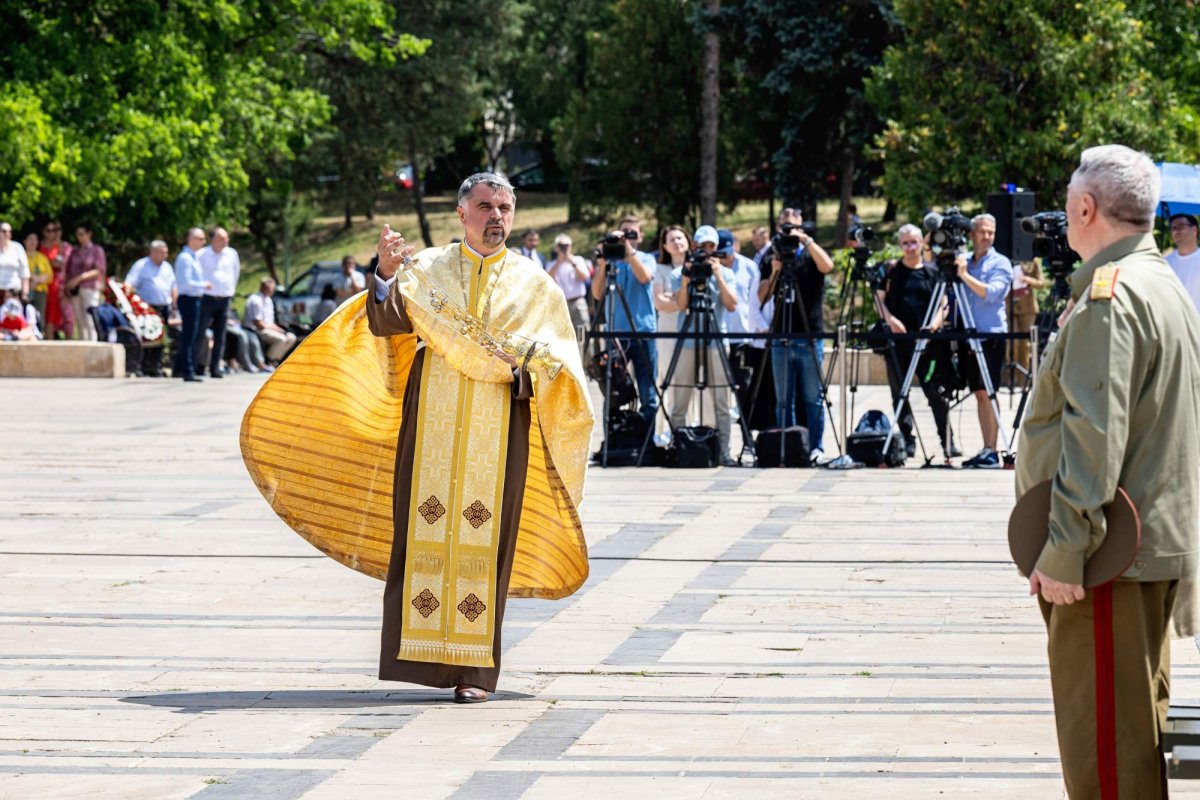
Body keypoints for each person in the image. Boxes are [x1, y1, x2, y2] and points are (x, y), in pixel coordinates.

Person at [1015, 143, 1200, 799]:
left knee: (1107, 761)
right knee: (1132, 739)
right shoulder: (1163, 286)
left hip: (1104, 562)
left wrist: (1065, 549)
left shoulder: (1110, 299)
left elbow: (1094, 436)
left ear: (1086, 208)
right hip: (1142, 550)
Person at [362, 172, 589, 702]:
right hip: (431, 423)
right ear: (462, 214)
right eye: (486, 206)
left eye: (505, 208)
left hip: (498, 425)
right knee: (423, 531)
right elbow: (387, 322)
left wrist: (522, 361)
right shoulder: (427, 270)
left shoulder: (536, 284)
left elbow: (559, 360)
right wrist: (384, 275)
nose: (497, 217)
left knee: (487, 543)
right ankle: (421, 661)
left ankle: (474, 673)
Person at [756, 208, 835, 464]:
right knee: (783, 399)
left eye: (793, 226)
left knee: (813, 398)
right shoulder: (772, 255)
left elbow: (827, 266)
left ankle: (816, 446)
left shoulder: (810, 253)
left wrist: (806, 240)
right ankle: (788, 446)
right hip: (781, 335)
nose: (789, 231)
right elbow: (762, 296)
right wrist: (776, 271)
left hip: (809, 335)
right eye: (785, 226)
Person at [876, 224, 957, 458]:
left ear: (922, 243)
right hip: (898, 342)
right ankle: (907, 441)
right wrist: (890, 320)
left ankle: (947, 441)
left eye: (914, 242)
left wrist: (935, 324)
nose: (910, 247)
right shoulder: (891, 273)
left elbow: (944, 305)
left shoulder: (932, 274)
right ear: (900, 246)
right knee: (899, 393)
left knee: (935, 393)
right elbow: (878, 300)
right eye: (905, 243)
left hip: (928, 345)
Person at [669, 225, 739, 465]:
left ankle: (724, 452)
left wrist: (718, 276)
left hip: (715, 339)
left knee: (721, 399)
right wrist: (687, 280)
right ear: (694, 247)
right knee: (680, 397)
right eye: (702, 247)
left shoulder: (726, 273)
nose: (706, 252)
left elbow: (731, 305)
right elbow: (681, 306)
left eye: (711, 247)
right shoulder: (680, 273)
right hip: (688, 339)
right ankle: (678, 448)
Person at [956, 213, 1013, 468]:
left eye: (991, 232)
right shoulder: (964, 261)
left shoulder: (1001, 263)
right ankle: (985, 447)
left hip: (991, 335)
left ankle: (992, 449)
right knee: (979, 392)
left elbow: (991, 294)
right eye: (982, 232)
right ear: (972, 234)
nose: (987, 237)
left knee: (989, 392)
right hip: (968, 335)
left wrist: (964, 276)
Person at [592, 215, 659, 430]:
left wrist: (628, 252)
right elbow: (596, 293)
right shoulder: (610, 262)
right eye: (624, 233)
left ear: (641, 236)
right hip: (616, 334)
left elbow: (645, 277)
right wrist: (603, 263)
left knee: (648, 391)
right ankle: (612, 442)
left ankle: (646, 444)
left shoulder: (647, 258)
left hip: (643, 331)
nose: (628, 237)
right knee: (612, 390)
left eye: (633, 233)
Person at [716, 228, 760, 428]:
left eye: (728, 251)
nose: (726, 257)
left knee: (744, 389)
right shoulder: (711, 268)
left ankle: (747, 434)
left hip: (742, 336)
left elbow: (756, 300)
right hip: (719, 334)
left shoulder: (749, 267)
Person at [653, 226, 689, 445]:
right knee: (666, 380)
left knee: (687, 382)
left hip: (690, 332)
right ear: (665, 246)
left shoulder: (694, 267)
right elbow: (659, 303)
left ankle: (686, 428)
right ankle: (663, 431)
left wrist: (673, 297)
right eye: (671, 239)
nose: (676, 242)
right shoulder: (661, 269)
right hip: (667, 332)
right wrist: (682, 300)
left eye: (680, 237)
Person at [123, 240, 177, 377]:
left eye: (166, 252)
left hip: (164, 306)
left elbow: (173, 286)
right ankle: (143, 365)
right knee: (147, 336)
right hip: (147, 308)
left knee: (161, 337)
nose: (165, 255)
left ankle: (155, 365)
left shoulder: (167, 267)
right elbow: (129, 283)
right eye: (162, 252)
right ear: (153, 252)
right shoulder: (141, 265)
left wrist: (174, 303)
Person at [197, 227, 240, 378]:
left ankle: (215, 367)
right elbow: (197, 275)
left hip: (224, 298)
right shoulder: (202, 254)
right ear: (214, 240)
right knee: (201, 333)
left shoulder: (231, 254)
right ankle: (199, 365)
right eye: (222, 238)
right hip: (207, 298)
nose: (226, 241)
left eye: (227, 238)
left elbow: (235, 273)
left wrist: (231, 291)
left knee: (220, 335)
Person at [174, 228, 209, 382]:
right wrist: (203, 285)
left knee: (190, 336)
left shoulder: (193, 257)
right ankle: (187, 371)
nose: (204, 242)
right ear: (192, 239)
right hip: (188, 299)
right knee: (188, 336)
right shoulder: (185, 258)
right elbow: (186, 283)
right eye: (201, 239)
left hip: (193, 299)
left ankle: (182, 368)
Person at [63, 224, 107, 341]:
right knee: (80, 321)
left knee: (90, 320)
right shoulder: (75, 251)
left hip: (90, 288)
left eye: (82, 234)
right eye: (78, 234)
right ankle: (83, 348)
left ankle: (93, 347)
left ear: (89, 234)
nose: (79, 237)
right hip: (75, 290)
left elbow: (99, 270)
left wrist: (79, 278)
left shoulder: (96, 250)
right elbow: (69, 270)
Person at [545, 234, 591, 331]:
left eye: (567, 245)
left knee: (583, 332)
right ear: (556, 247)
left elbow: (584, 277)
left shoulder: (578, 260)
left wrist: (572, 262)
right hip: (560, 303)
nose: (564, 248)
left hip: (578, 302)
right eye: (561, 246)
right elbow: (548, 280)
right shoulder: (551, 264)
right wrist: (559, 262)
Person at [243, 278, 296, 364]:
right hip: (255, 330)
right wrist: (277, 330)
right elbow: (258, 324)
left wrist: (281, 330)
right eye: (268, 288)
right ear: (262, 287)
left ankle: (276, 359)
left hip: (267, 328)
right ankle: (269, 360)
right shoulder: (256, 300)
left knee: (291, 337)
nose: (271, 290)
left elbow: (270, 322)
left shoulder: (268, 300)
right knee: (281, 339)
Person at [1009, 259, 1048, 373]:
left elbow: (1042, 283)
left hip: (1028, 307)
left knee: (1025, 344)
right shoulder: (1006, 257)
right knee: (1011, 343)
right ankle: (1009, 378)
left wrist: (1028, 280)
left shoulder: (1033, 261)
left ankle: (1023, 377)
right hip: (1009, 306)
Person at [38, 220, 73, 340]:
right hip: (41, 284)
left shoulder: (59, 246)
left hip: (55, 285)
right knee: (42, 313)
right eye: (48, 230)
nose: (52, 233)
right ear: (43, 231)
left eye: (54, 230)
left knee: (52, 316)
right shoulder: (39, 245)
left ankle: (51, 342)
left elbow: (64, 264)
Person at [1165, 212, 1200, 314]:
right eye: (1173, 228)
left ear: (1194, 230)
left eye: (1181, 226)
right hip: (1174, 325)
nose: (1176, 230)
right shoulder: (1165, 262)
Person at [23, 233, 51, 327]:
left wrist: (36, 280)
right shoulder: (21, 256)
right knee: (24, 314)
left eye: (35, 239)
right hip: (25, 291)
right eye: (30, 239)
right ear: (25, 241)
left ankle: (39, 336)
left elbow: (50, 276)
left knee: (39, 315)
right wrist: (33, 278)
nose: (33, 242)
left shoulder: (42, 257)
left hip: (40, 292)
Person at [0, 223, 30, 305]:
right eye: (4, 231)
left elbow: (25, 273)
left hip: (13, 291)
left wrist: (25, 294)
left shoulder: (17, 248)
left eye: (9, 231)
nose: (7, 233)